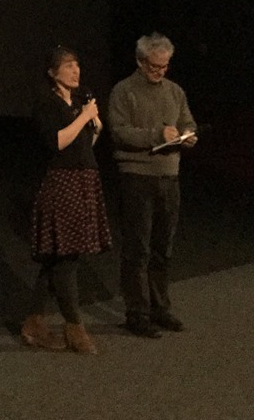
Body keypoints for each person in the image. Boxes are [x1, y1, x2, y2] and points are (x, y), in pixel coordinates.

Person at [20, 46, 112, 354]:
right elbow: (58, 141)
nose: (76, 71)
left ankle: (34, 323)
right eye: (68, 66)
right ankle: (75, 328)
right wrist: (84, 115)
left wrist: (94, 126)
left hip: (84, 178)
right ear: (52, 73)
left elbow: (83, 145)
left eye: (77, 66)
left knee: (58, 258)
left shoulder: (78, 100)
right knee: (67, 257)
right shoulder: (47, 103)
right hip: (62, 183)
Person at [107, 32, 197, 339]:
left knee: (163, 248)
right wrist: (158, 135)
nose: (161, 71)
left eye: (165, 66)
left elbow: (188, 121)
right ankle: (137, 312)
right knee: (138, 248)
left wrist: (188, 135)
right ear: (141, 62)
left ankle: (160, 308)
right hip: (137, 176)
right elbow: (119, 133)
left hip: (169, 176)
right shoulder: (124, 91)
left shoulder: (175, 91)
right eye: (156, 66)